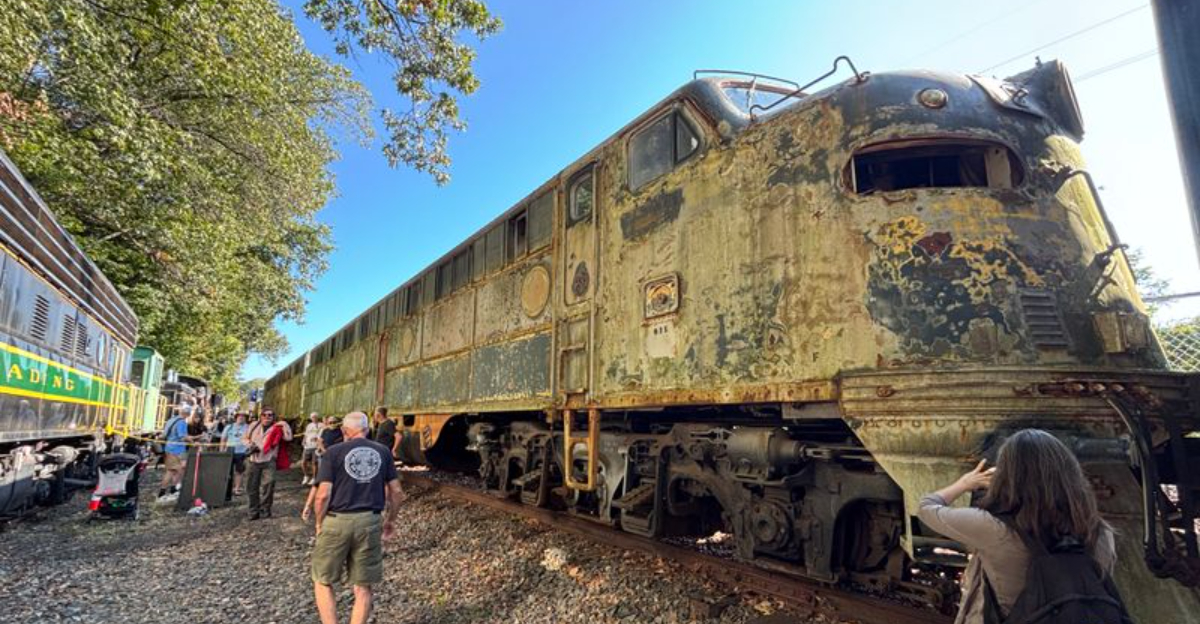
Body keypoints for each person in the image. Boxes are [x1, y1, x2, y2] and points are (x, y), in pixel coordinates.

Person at [918, 429, 1118, 624]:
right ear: (1071, 474)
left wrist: (965, 483)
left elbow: (926, 508)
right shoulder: (1099, 531)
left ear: (1007, 477)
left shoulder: (991, 528)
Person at [311, 412, 406, 624]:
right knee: (363, 587)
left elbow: (323, 494)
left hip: (336, 520)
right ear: (367, 429)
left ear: (345, 431)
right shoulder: (383, 452)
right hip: (370, 521)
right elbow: (397, 493)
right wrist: (390, 520)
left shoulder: (333, 452)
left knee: (323, 580)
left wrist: (319, 522)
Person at [242, 408, 291, 520]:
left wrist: (285, 425)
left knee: (268, 486)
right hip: (253, 460)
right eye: (264, 415)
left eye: (270, 415)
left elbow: (288, 437)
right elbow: (244, 438)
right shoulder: (254, 425)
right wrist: (250, 445)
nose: (267, 417)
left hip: (269, 460)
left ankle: (265, 510)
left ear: (273, 417)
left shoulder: (277, 428)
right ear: (261, 416)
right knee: (251, 487)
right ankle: (253, 511)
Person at [159, 408, 189, 498]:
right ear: (187, 414)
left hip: (169, 447)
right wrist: (192, 440)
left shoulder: (171, 420)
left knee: (173, 470)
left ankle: (172, 489)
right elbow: (182, 437)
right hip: (177, 449)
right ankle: (164, 491)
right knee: (175, 470)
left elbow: (164, 434)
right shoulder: (182, 422)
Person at [222, 412, 250, 495]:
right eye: (239, 416)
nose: (241, 418)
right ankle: (225, 489)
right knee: (227, 471)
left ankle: (237, 488)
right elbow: (223, 439)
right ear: (236, 417)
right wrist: (222, 450)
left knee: (239, 471)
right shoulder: (229, 427)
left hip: (241, 452)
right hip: (229, 451)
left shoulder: (248, 427)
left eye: (243, 416)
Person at [302, 413, 322, 485]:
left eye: (315, 417)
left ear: (317, 417)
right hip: (307, 446)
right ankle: (306, 476)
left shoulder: (321, 425)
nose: (314, 418)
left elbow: (322, 434)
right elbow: (306, 434)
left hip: (315, 446)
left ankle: (314, 478)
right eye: (312, 417)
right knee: (303, 462)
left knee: (314, 463)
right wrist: (304, 440)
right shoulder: (309, 425)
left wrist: (317, 439)